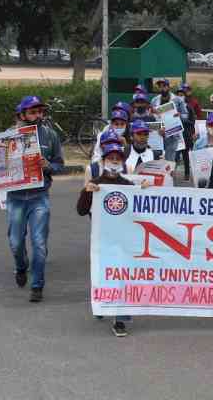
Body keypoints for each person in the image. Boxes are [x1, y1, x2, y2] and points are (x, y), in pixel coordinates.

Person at [0, 96, 64, 302]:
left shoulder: (50, 135)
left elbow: (60, 164)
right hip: (16, 197)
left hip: (39, 197)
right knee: (16, 242)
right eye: (32, 112)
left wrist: (49, 166)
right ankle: (21, 267)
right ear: (22, 115)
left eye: (40, 112)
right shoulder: (7, 137)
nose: (37, 116)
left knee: (39, 243)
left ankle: (37, 286)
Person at [77, 143, 149, 337]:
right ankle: (102, 305)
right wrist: (87, 192)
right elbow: (81, 210)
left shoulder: (127, 185)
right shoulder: (96, 182)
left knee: (122, 277)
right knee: (104, 275)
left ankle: (120, 320)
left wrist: (145, 191)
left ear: (123, 163)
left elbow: (142, 211)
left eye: (118, 158)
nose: (114, 161)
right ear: (103, 161)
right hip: (102, 239)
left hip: (123, 240)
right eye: (111, 158)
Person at [151, 79, 187, 163]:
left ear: (168, 87)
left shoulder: (178, 100)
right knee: (157, 160)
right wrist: (152, 113)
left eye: (164, 86)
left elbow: (186, 115)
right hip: (159, 133)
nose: (162, 88)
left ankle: (170, 176)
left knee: (170, 160)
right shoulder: (154, 100)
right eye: (160, 86)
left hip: (173, 134)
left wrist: (180, 115)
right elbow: (152, 117)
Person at [175, 83, 194, 181]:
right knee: (174, 156)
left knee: (185, 156)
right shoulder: (172, 108)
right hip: (174, 135)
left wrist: (182, 118)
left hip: (185, 135)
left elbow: (192, 122)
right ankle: (171, 174)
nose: (180, 97)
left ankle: (187, 174)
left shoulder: (189, 107)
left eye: (181, 95)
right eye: (178, 95)